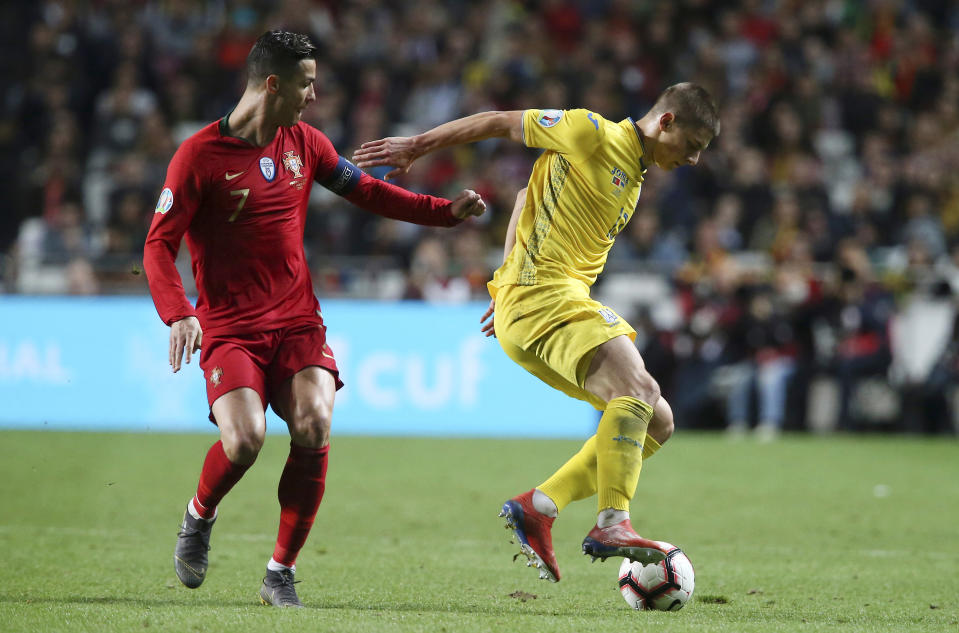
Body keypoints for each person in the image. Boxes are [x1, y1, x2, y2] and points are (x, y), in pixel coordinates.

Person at [143, 30, 485, 608]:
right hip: (230, 327)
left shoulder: (306, 144)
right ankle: (199, 514)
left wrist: (444, 214)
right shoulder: (198, 157)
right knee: (246, 440)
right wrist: (178, 313)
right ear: (272, 84)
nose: (314, 94)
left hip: (298, 321)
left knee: (314, 424)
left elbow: (370, 193)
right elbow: (157, 246)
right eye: (306, 82)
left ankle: (280, 571)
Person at [354, 83, 719, 582]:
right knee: (640, 390)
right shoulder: (591, 132)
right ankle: (613, 523)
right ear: (667, 122)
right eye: (693, 147)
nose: (695, 161)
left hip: (541, 303)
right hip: (544, 296)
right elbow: (500, 120)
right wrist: (416, 145)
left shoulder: (632, 176)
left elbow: (528, 195)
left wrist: (504, 280)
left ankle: (540, 506)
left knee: (656, 421)